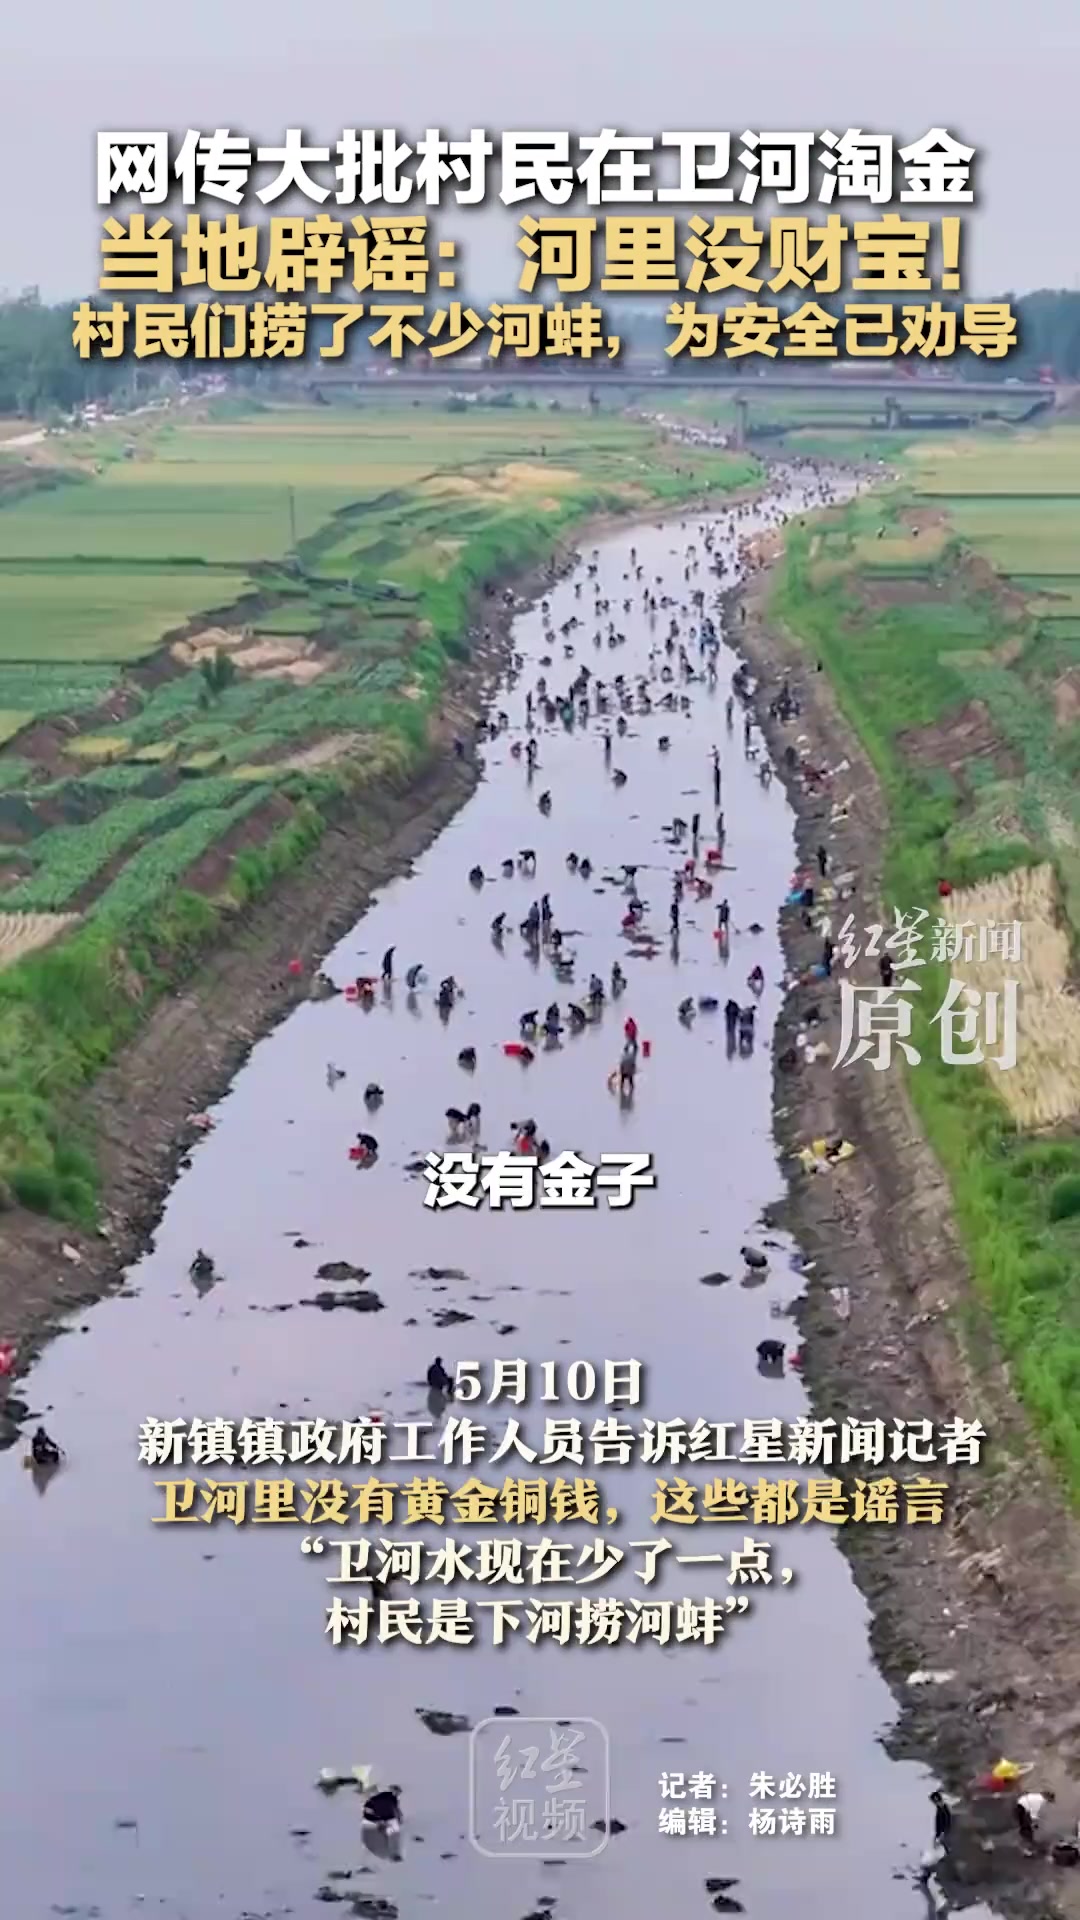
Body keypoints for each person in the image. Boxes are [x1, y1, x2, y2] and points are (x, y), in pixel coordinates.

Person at [1016, 1787, 1053, 1851]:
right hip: (1022, 1806)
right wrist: (1034, 1823)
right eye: (1049, 1801)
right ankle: (1026, 1840)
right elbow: (1033, 1813)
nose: (1048, 1803)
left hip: (1022, 1803)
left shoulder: (1039, 1797)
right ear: (1047, 1798)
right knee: (1026, 1824)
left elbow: (1033, 1811)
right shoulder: (1040, 1800)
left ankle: (1026, 1836)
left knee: (1025, 1822)